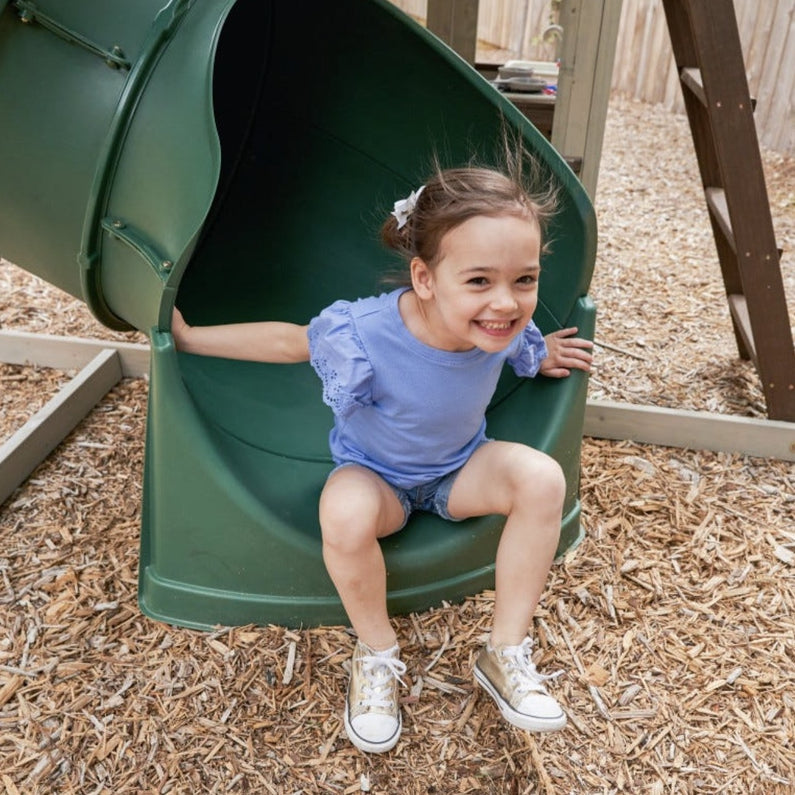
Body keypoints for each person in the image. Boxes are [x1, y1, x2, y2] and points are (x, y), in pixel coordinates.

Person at [171, 161, 593, 754]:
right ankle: (376, 652)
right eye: (479, 282)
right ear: (425, 279)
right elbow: (289, 341)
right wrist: (192, 339)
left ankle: (504, 652)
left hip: (458, 469)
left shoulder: (498, 326)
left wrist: (540, 350)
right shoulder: (366, 330)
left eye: (525, 279)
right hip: (379, 480)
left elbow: (515, 338)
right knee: (342, 514)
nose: (507, 301)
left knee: (543, 480)